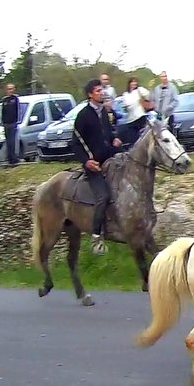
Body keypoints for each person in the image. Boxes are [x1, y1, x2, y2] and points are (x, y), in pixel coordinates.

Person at [72, 79, 124, 255]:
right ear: (90, 95)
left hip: (110, 158)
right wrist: (86, 162)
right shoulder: (83, 115)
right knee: (103, 196)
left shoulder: (104, 112)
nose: (102, 93)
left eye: (102, 90)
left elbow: (107, 134)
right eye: (97, 91)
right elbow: (76, 143)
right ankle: (96, 237)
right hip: (94, 165)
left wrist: (114, 139)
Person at [118, 77, 153, 147]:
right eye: (132, 82)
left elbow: (149, 95)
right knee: (133, 138)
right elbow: (125, 105)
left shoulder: (139, 90)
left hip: (140, 116)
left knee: (142, 136)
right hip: (131, 119)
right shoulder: (125, 94)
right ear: (129, 83)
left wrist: (147, 95)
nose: (134, 83)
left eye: (135, 82)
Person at [0, 82, 21, 165]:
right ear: (6, 90)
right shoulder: (4, 100)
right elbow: (2, 112)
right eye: (9, 89)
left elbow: (18, 110)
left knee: (12, 141)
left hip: (13, 123)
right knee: (8, 142)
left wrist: (17, 121)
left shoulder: (15, 99)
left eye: (12, 89)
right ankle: (9, 158)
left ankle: (13, 158)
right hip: (6, 124)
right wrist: (2, 122)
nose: (10, 90)